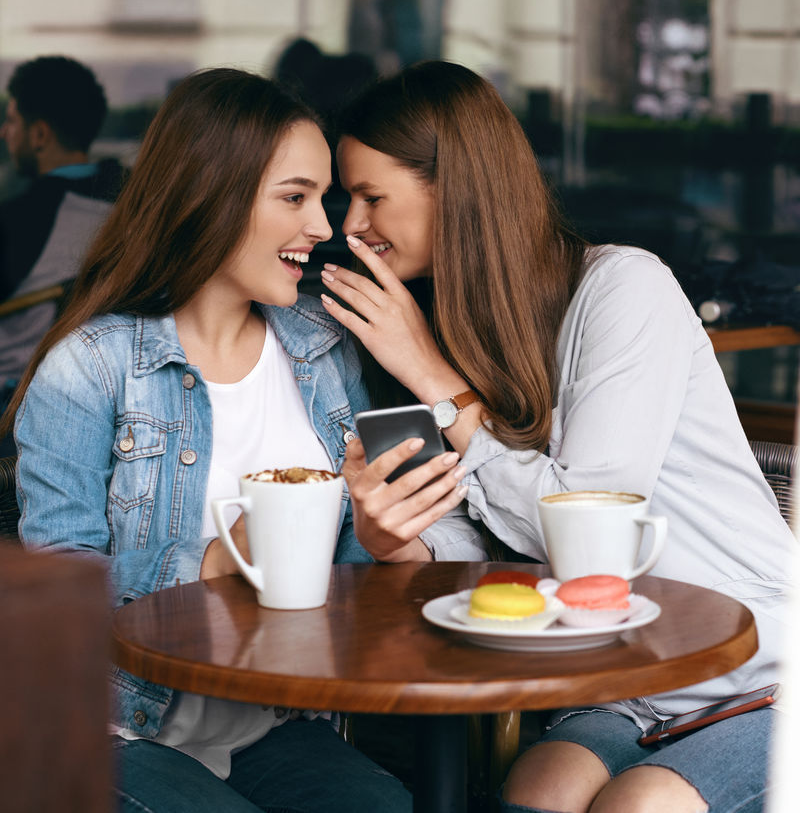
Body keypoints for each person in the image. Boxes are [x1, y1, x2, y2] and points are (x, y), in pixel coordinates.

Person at [317, 60, 796, 813]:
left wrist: (436, 380)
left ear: (456, 190)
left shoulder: (624, 289)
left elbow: (586, 521)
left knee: (635, 805)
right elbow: (485, 552)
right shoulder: (431, 325)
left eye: (372, 195)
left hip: (761, 670)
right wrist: (398, 540)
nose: (349, 225)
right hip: (618, 685)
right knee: (537, 792)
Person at [5, 66, 477, 813]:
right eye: (295, 197)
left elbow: (372, 564)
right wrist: (220, 561)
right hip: (115, 731)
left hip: (273, 725)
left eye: (321, 199)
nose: (325, 227)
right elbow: (59, 602)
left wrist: (382, 540)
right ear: (210, 193)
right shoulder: (89, 368)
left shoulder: (324, 350)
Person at [0, 56, 125, 412]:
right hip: (107, 396)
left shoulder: (17, 220)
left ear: (39, 134)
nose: (3, 132)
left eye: (11, 121)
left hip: (17, 409)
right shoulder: (136, 205)